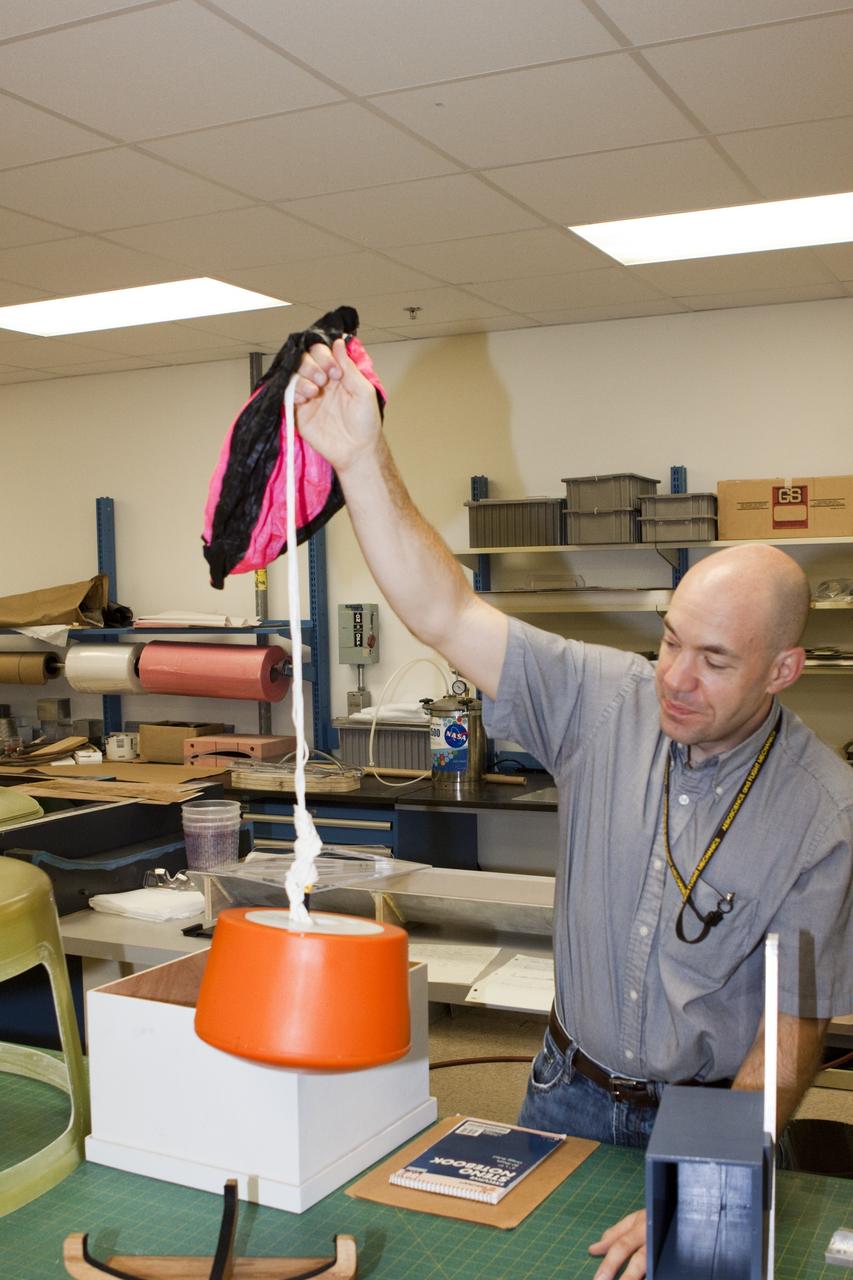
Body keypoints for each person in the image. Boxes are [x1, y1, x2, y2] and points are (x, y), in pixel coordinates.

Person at [293, 338, 853, 1280]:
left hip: (707, 1111)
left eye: (713, 662)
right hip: (564, 1087)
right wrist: (358, 459)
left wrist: (711, 1171)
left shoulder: (823, 813)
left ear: (782, 670)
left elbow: (792, 1026)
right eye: (670, 640)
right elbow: (444, 610)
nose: (673, 679)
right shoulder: (603, 697)